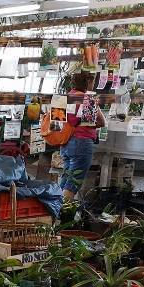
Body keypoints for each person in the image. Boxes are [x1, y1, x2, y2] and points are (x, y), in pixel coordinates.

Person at [60, 71, 105, 201]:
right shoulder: (86, 99)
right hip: (82, 144)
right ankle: (62, 216)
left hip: (65, 144)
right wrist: (94, 103)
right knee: (73, 183)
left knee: (66, 179)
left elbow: (56, 125)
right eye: (92, 81)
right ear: (88, 82)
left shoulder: (62, 98)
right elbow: (102, 122)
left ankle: (53, 211)